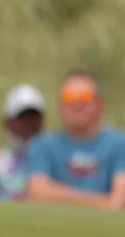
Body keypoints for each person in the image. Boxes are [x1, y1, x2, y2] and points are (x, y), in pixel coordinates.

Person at [24, 70, 125, 208]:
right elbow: (38, 192)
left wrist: (56, 194)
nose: (76, 105)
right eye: (69, 97)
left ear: (100, 105)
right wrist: (103, 202)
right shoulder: (42, 145)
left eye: (84, 97)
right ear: (59, 105)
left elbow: (119, 201)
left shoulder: (120, 144)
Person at [0, 84, 46, 202]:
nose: (28, 124)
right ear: (7, 121)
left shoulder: (53, 166)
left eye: (34, 118)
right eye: (22, 118)